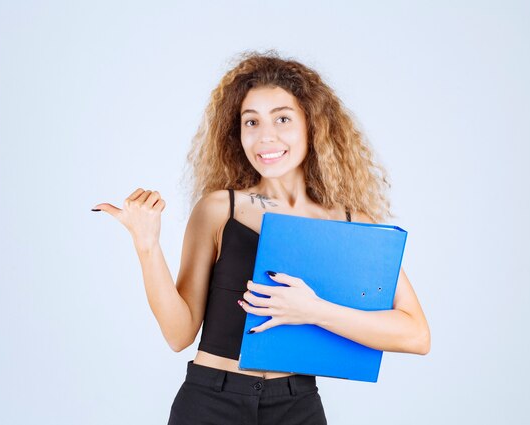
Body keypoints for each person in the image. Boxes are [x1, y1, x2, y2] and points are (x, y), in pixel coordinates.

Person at [92, 51, 430, 425]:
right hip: (210, 403)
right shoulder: (221, 209)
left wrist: (314, 310)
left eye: (282, 118)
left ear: (312, 126)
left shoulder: (350, 222)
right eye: (251, 122)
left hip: (296, 405)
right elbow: (178, 334)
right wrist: (147, 245)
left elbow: (416, 334)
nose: (265, 137)